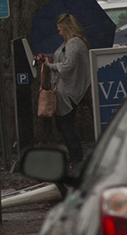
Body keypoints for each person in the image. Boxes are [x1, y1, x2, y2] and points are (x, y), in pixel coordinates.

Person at [39, 14, 92, 158]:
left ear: (67, 28)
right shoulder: (67, 43)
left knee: (67, 125)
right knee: (62, 125)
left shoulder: (74, 43)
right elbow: (61, 58)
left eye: (60, 29)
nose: (59, 33)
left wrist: (51, 65)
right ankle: (74, 156)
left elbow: (68, 66)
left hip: (70, 91)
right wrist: (47, 57)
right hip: (65, 90)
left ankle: (76, 157)